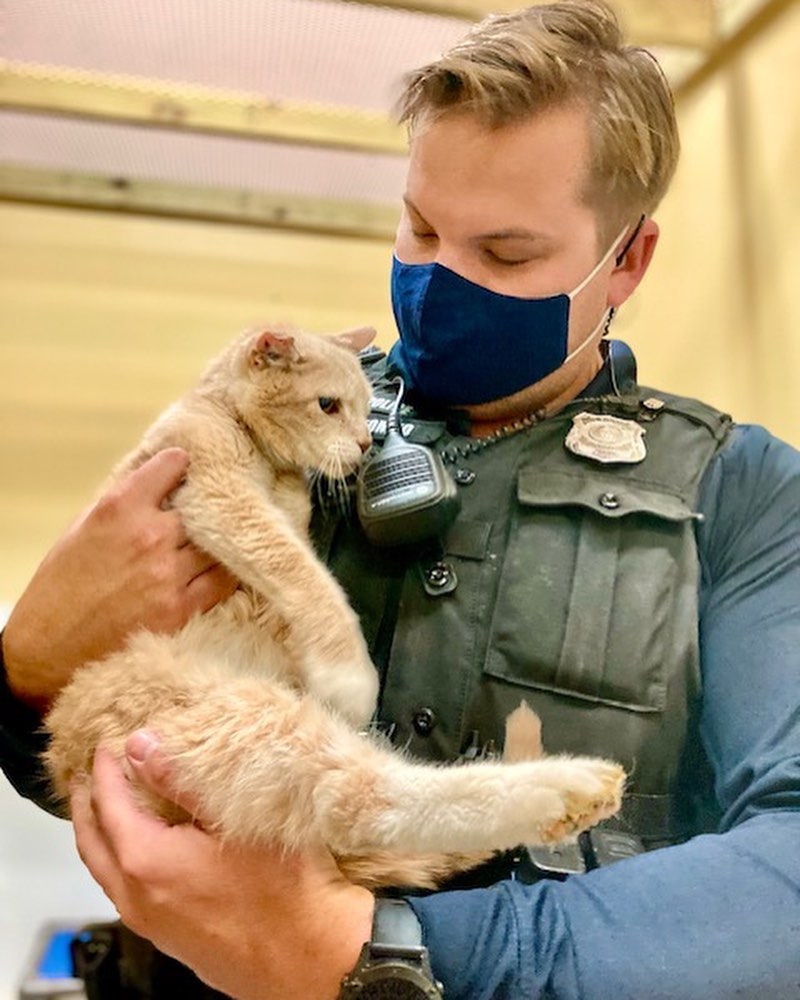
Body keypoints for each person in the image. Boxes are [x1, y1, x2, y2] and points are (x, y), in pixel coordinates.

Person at [2, 2, 799, 998]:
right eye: (419, 227)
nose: (436, 280)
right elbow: (76, 765)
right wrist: (26, 665)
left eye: (504, 254)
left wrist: (373, 952)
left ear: (626, 261)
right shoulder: (286, 415)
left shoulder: (744, 495)